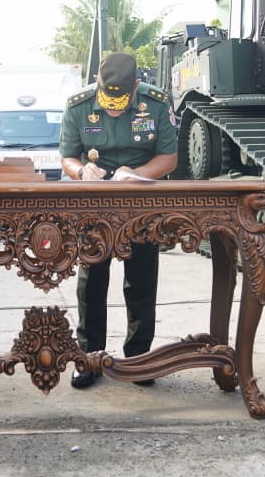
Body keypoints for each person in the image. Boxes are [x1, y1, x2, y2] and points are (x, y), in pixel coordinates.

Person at [59, 51, 177, 389]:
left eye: (121, 101)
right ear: (98, 83)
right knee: (91, 280)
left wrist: (135, 174)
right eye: (109, 100)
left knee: (140, 280)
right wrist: (81, 171)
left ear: (137, 85)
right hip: (94, 201)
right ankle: (88, 358)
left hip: (140, 199)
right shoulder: (79, 104)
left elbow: (168, 157)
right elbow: (67, 156)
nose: (113, 108)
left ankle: (139, 359)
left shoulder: (155, 102)